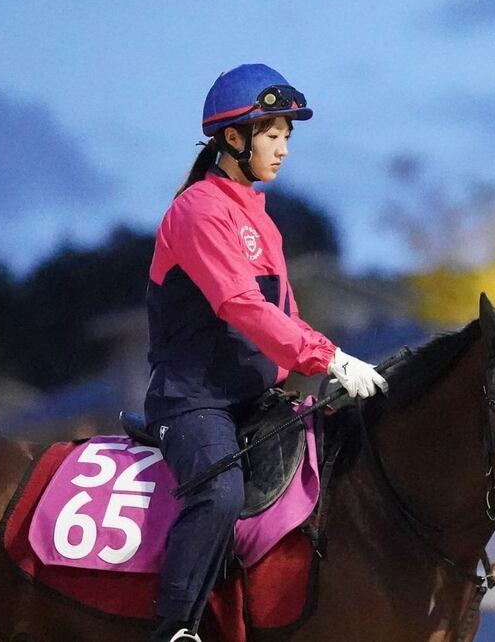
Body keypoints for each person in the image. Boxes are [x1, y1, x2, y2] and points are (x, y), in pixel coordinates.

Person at [144, 64, 388, 642]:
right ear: (234, 138)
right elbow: (241, 307)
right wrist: (332, 358)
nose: (282, 149)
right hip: (193, 403)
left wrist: (317, 373)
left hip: (254, 401)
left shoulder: (261, 219)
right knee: (222, 491)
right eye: (271, 135)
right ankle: (175, 627)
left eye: (286, 137)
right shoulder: (198, 211)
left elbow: (287, 318)